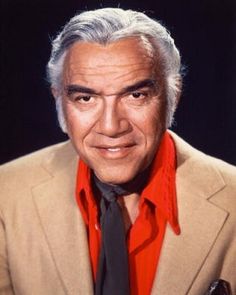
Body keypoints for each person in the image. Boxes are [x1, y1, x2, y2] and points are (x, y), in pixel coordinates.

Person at [0, 7, 235, 295]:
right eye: (85, 98)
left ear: (173, 95)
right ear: (60, 102)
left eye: (136, 95)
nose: (111, 127)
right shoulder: (6, 193)